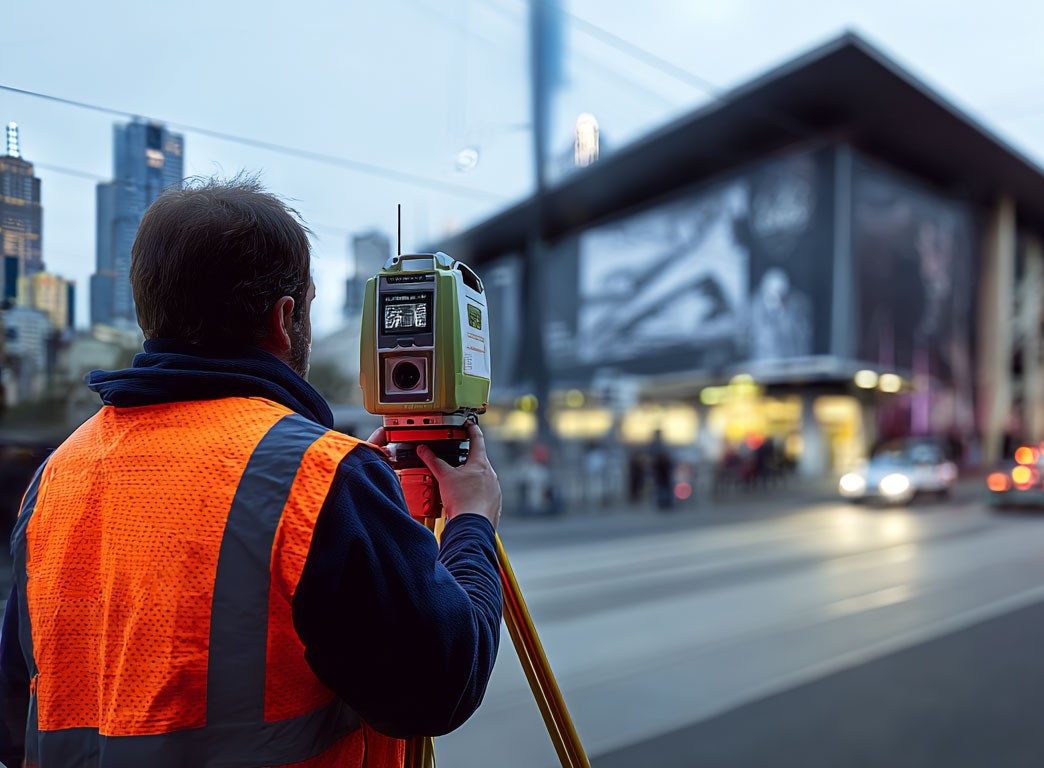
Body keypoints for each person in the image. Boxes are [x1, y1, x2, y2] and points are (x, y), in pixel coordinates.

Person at [0, 177, 503, 767]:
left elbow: (16, 720)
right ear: (284, 317)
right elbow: (439, 686)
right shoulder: (318, 479)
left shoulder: (59, 476)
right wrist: (471, 521)